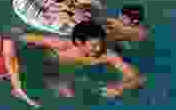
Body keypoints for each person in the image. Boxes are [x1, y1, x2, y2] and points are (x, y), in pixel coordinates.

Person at [15, 20, 146, 98]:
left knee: (70, 91)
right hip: (45, 63)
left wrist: (120, 88)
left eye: (101, 43)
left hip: (75, 71)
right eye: (94, 45)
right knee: (66, 91)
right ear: (79, 42)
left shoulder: (107, 55)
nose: (99, 48)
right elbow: (24, 38)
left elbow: (138, 78)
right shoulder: (63, 45)